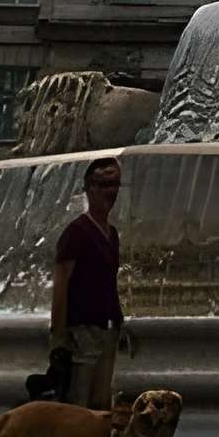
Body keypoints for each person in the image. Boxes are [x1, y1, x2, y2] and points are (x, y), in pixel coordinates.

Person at [51, 157, 126, 411]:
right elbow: (61, 283)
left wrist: (119, 321)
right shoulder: (76, 232)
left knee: (102, 404)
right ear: (89, 188)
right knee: (78, 406)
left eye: (115, 184)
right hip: (81, 333)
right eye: (104, 184)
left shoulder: (112, 234)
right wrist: (58, 337)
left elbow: (109, 282)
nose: (111, 192)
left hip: (107, 330)